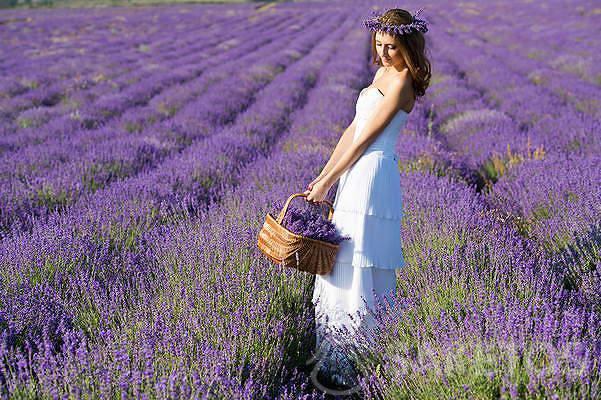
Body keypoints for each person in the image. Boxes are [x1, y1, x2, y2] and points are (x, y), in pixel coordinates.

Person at [303, 7, 432, 392]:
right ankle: (334, 355)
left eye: (391, 46)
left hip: (373, 175)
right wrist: (323, 174)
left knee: (360, 260)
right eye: (379, 44)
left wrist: (329, 180)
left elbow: (367, 139)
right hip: (354, 174)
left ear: (407, 46)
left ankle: (359, 359)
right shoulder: (380, 74)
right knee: (342, 259)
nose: (384, 53)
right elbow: (351, 129)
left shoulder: (403, 82)